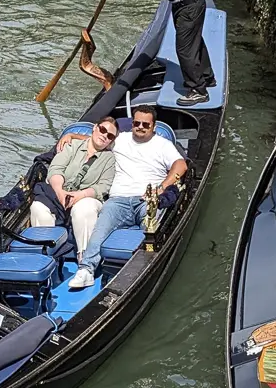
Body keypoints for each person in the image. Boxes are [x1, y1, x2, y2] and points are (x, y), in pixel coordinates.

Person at [58, 106, 187, 290]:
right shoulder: (121, 140)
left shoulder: (163, 145)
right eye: (136, 123)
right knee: (100, 229)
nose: (140, 127)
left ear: (154, 126)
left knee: (152, 232)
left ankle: (143, 269)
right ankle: (86, 270)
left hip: (148, 200)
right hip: (118, 201)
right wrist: (71, 137)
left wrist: (162, 188)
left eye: (145, 124)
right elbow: (96, 141)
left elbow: (180, 165)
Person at [31, 117, 118, 261]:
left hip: (87, 197)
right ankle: (47, 256)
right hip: (60, 191)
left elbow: (103, 187)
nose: (104, 136)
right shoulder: (72, 145)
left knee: (84, 207)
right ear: (95, 127)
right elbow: (56, 169)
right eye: (103, 130)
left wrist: (80, 195)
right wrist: (60, 192)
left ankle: (85, 258)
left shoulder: (109, 159)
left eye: (110, 136)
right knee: (38, 207)